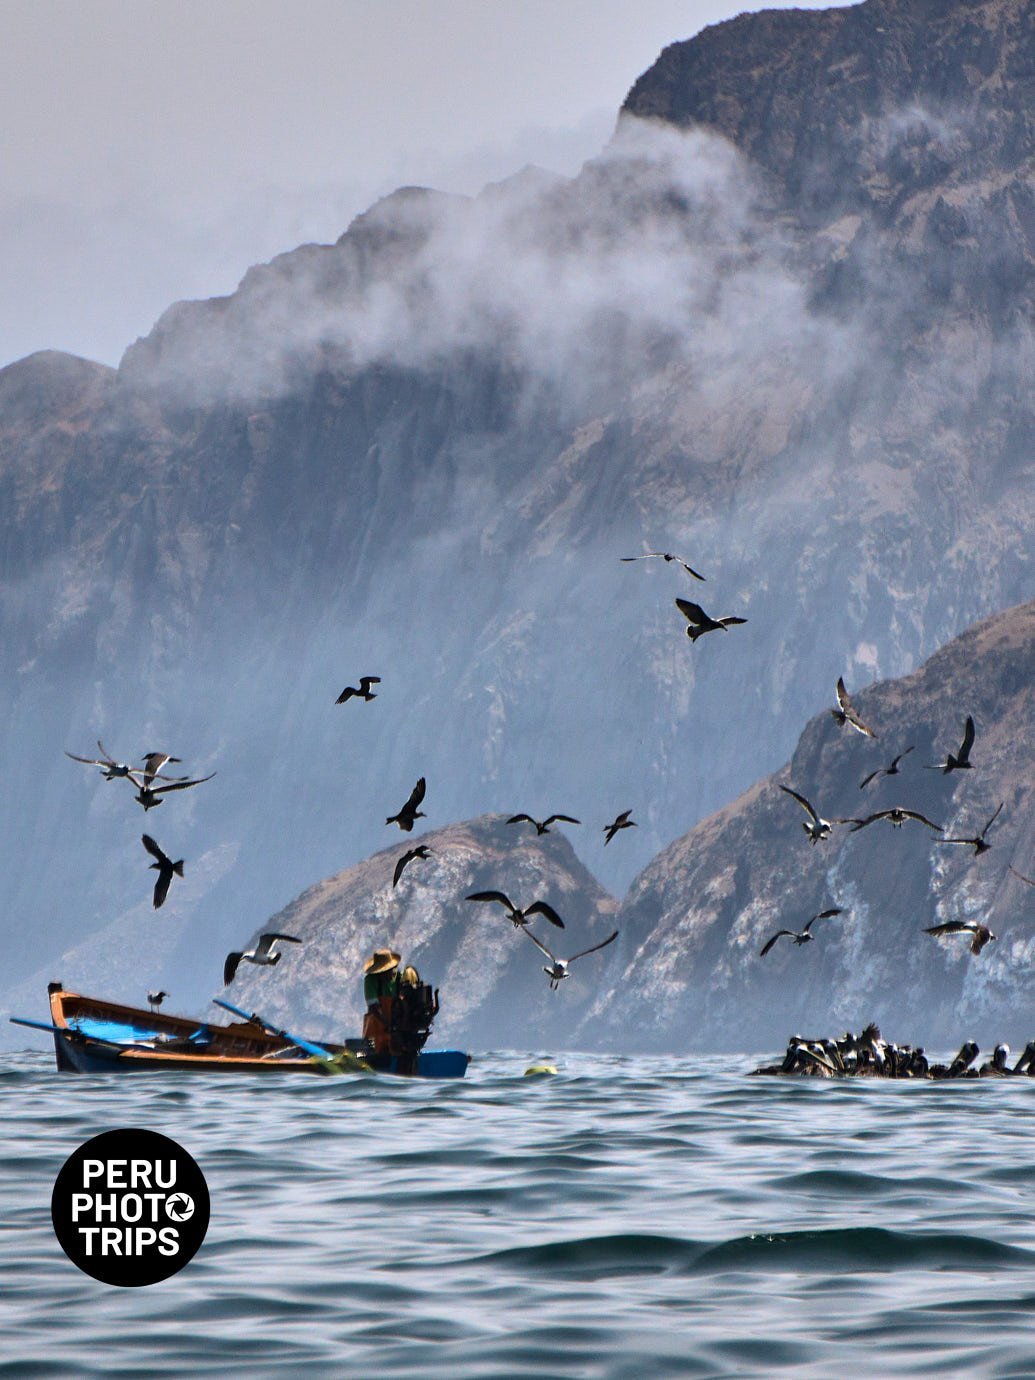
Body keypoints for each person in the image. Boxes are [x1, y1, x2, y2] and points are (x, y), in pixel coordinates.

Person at [361, 948, 400, 1054]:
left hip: (394, 1027)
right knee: (373, 1054)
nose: (391, 973)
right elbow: (374, 1007)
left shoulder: (398, 978)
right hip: (375, 1026)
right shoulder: (370, 980)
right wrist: (388, 1025)